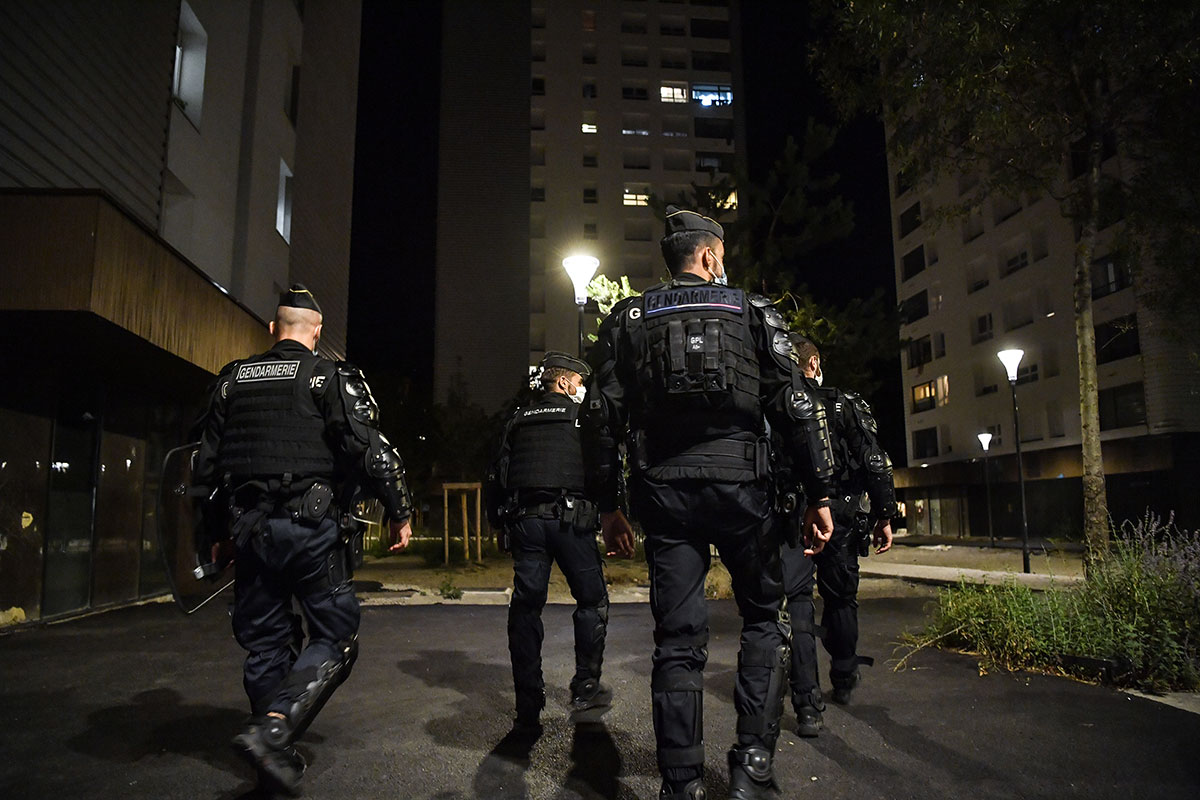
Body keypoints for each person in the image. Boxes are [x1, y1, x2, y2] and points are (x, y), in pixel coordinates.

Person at [582, 206, 837, 800]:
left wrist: (608, 506)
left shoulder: (630, 318)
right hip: (743, 492)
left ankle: (681, 784)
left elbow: (598, 416)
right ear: (708, 256)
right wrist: (819, 493)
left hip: (666, 496)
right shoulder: (751, 311)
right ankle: (752, 764)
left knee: (676, 640)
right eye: (722, 257)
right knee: (763, 620)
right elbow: (798, 406)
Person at [193, 284, 413, 796]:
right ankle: (274, 730)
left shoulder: (231, 382)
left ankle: (270, 757)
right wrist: (400, 512)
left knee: (266, 642)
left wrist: (215, 535)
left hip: (250, 532)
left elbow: (204, 470)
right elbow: (372, 452)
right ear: (316, 333)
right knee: (336, 637)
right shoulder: (326, 377)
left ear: (273, 329)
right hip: (311, 531)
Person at [485, 352, 611, 735]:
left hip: (526, 523)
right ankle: (585, 686)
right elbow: (600, 468)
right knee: (591, 600)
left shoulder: (517, 419)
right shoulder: (580, 418)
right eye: (579, 382)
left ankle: (528, 704)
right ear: (563, 383)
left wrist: (498, 523)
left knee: (525, 610)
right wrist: (608, 510)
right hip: (571, 522)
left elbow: (496, 473)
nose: (582, 389)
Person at [782, 334, 896, 738]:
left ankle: (807, 703)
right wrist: (884, 514)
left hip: (791, 515)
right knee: (841, 597)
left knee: (797, 603)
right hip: (841, 515)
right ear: (813, 364)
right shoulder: (841, 404)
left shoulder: (776, 406)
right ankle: (844, 673)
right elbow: (874, 460)